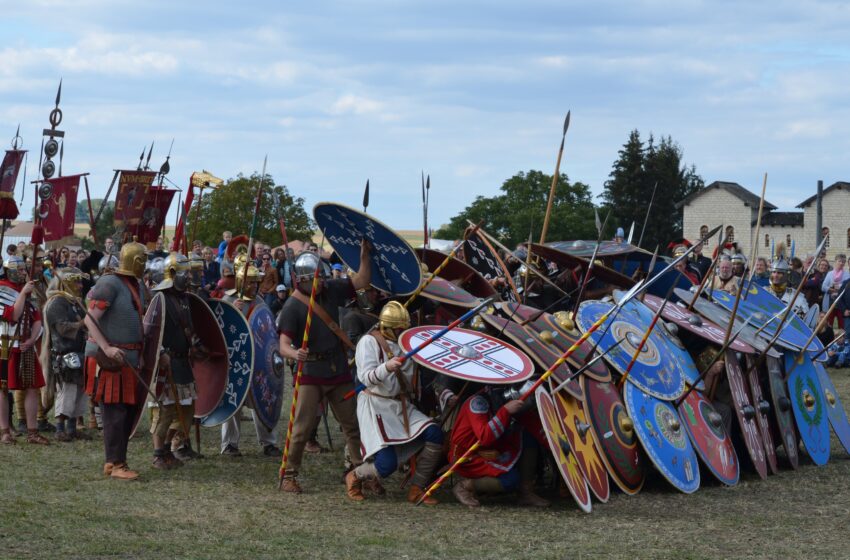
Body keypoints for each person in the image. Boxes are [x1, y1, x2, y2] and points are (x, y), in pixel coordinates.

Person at [277, 242, 372, 493]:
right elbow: (283, 345)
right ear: (304, 279)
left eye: (322, 276)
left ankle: (360, 473)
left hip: (337, 369)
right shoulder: (292, 306)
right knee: (301, 429)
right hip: (310, 372)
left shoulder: (331, 289)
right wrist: (295, 353)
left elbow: (361, 280)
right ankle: (289, 475)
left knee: (352, 425)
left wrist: (364, 256)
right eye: (316, 278)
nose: (321, 282)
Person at [345, 301, 443, 504]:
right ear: (388, 327)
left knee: (434, 433)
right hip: (376, 405)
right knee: (386, 465)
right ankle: (355, 475)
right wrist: (386, 367)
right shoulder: (368, 342)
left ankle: (417, 488)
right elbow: (365, 378)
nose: (402, 332)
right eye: (399, 329)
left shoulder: (407, 344)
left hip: (401, 405)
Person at [83, 240, 148, 480]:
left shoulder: (135, 285)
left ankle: (115, 462)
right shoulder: (109, 283)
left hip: (128, 359)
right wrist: (107, 348)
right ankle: (116, 464)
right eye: (143, 260)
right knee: (114, 413)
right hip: (110, 359)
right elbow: (89, 319)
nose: (146, 264)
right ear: (135, 260)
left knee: (126, 412)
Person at [449, 386, 549, 508]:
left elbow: (535, 426)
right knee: (511, 480)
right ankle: (464, 486)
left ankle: (526, 493)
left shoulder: (507, 397)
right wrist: (505, 411)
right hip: (469, 456)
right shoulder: (477, 402)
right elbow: (485, 437)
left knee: (528, 436)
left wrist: (558, 443)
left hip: (494, 447)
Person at [220, 261, 281, 458]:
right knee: (233, 402)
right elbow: (220, 330)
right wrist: (232, 312)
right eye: (251, 282)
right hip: (236, 360)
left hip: (258, 361)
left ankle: (269, 443)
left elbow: (267, 328)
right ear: (241, 282)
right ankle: (229, 444)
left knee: (262, 400)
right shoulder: (229, 300)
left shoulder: (260, 302)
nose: (254, 286)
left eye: (256, 282)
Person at [149, 253, 203, 468]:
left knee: (187, 411)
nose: (189, 277)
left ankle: (169, 448)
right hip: (166, 362)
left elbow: (189, 328)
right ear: (172, 273)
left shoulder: (184, 299)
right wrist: (161, 352)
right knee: (164, 411)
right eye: (184, 273)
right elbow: (150, 331)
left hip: (182, 362)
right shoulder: (159, 298)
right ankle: (158, 455)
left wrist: (197, 346)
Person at [0, 256, 50, 445]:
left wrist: (31, 339)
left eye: (24, 269)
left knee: (32, 387)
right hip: (5, 347)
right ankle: (5, 431)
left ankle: (32, 432)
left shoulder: (27, 288)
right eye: (20, 270)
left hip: (25, 346)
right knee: (3, 389)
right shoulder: (2, 289)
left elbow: (36, 319)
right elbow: (13, 315)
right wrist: (22, 294)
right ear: (10, 271)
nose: (23, 273)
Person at [41, 267, 92, 442]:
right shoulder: (56, 303)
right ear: (66, 283)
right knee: (67, 391)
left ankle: (72, 429)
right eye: (76, 282)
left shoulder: (75, 302)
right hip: (64, 353)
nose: (80, 285)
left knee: (80, 392)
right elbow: (62, 328)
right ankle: (60, 429)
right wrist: (83, 323)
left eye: (80, 281)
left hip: (80, 352)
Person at [822, 254, 850, 329]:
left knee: (842, 324)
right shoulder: (830, 274)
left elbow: (847, 289)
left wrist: (840, 287)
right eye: (839, 261)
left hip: (841, 303)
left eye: (843, 262)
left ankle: (842, 336)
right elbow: (823, 287)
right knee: (829, 323)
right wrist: (831, 289)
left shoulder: (847, 274)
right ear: (835, 261)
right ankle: (829, 335)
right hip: (830, 302)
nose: (841, 263)